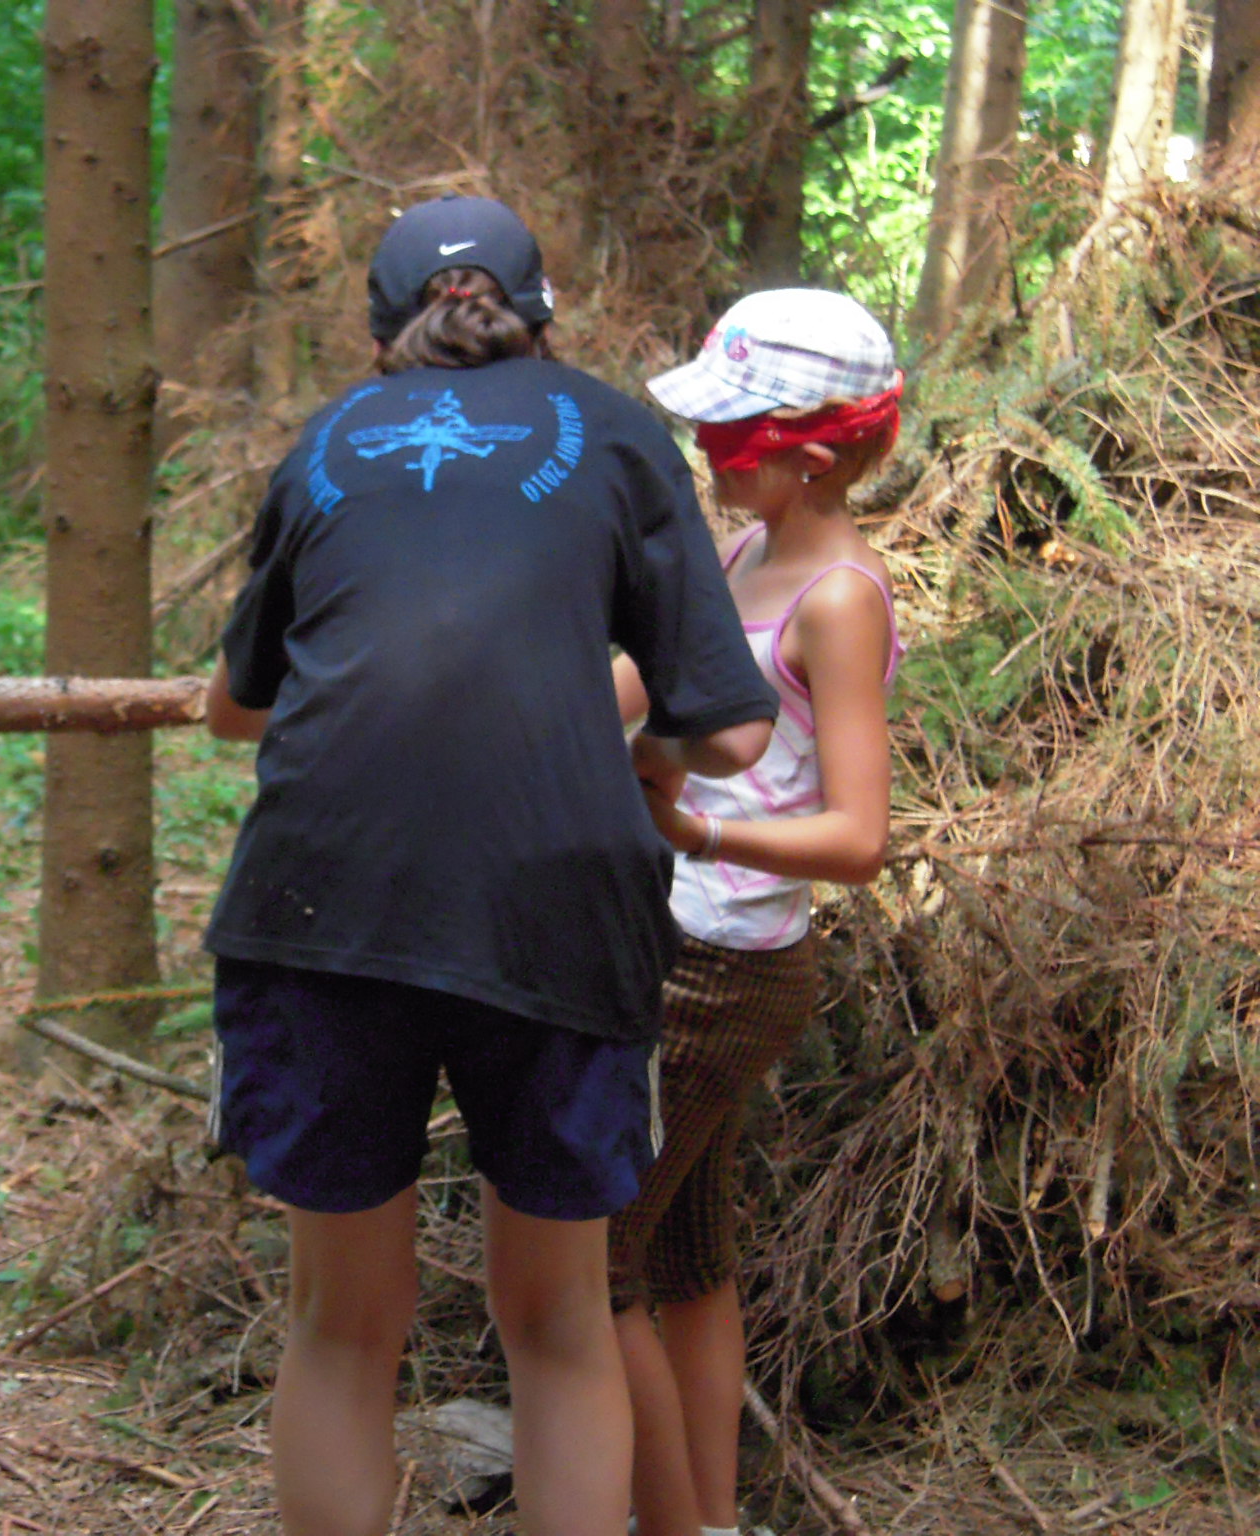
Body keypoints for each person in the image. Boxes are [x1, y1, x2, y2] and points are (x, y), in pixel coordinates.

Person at [201, 194, 778, 1536]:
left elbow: (236, 706)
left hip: (324, 900)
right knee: (561, 1324)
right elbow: (734, 729)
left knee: (340, 1326)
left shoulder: (327, 440)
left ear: (379, 330)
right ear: (541, 319)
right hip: (556, 898)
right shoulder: (618, 433)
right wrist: (627, 735)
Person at [608, 288, 906, 1536]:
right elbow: (644, 689)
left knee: (592, 1266)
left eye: (729, 437)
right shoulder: (740, 553)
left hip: (717, 961)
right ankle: (712, 1518)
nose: (706, 453)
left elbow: (857, 836)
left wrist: (701, 834)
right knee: (686, 1261)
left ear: (812, 456)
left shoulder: (837, 597)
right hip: (678, 935)